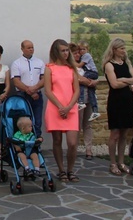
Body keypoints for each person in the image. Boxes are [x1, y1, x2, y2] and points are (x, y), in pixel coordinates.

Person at [43, 39, 80, 182]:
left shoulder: (72, 68)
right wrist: (60, 106)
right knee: (57, 140)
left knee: (72, 143)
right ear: (55, 52)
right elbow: (48, 90)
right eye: (62, 50)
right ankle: (61, 170)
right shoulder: (49, 68)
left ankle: (70, 169)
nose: (65, 53)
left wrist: (69, 107)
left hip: (70, 108)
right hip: (55, 108)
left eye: (67, 50)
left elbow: (76, 90)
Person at [103, 38, 133, 176]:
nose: (124, 51)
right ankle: (112, 162)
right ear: (114, 49)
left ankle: (121, 161)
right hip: (116, 101)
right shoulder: (109, 65)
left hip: (128, 100)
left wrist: (123, 79)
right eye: (121, 48)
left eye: (124, 48)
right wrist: (126, 82)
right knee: (115, 133)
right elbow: (114, 84)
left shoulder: (127, 63)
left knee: (124, 133)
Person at [10, 40, 45, 138]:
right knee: (23, 122)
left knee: (37, 122)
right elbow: (16, 81)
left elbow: (44, 79)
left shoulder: (40, 62)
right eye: (28, 47)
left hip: (37, 96)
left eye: (32, 47)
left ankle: (36, 145)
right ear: (22, 49)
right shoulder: (17, 63)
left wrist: (34, 89)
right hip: (22, 96)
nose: (31, 49)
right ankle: (23, 144)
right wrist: (29, 91)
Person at [72, 43, 97, 160]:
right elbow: (76, 79)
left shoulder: (84, 65)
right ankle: (74, 149)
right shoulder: (71, 67)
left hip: (89, 98)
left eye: (78, 52)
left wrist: (92, 82)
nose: (78, 55)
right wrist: (88, 81)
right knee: (76, 125)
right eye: (75, 53)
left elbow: (95, 77)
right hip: (77, 100)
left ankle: (89, 149)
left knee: (88, 125)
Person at [75, 42, 100, 121]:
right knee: (91, 91)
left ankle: (81, 101)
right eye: (80, 50)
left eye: (84, 49)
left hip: (91, 72)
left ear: (87, 50)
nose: (82, 51)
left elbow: (79, 66)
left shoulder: (86, 56)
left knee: (82, 81)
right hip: (91, 73)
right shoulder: (82, 57)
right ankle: (95, 110)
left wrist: (71, 62)